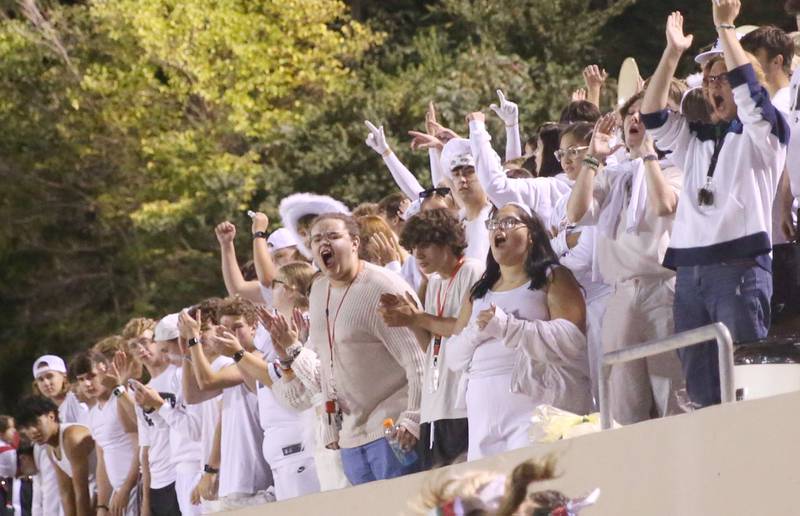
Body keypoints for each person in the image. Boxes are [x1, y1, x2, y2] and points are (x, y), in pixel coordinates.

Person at [641, 6, 789, 408]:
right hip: (689, 274)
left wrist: (725, 28)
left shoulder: (766, 132)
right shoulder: (696, 140)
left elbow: (752, 94)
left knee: (745, 386)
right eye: (707, 80)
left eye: (720, 77)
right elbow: (651, 115)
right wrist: (671, 54)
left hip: (740, 267)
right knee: (702, 390)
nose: (711, 87)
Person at [567, 89, 686, 424]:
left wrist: (648, 155)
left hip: (664, 288)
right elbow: (576, 212)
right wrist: (592, 158)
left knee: (671, 395)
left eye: (644, 113)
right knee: (623, 400)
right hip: (622, 291)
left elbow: (664, 205)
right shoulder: (614, 176)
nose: (635, 119)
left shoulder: (676, 167)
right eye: (630, 113)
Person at [278, 212, 425, 485]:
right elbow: (328, 366)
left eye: (334, 236)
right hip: (349, 439)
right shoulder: (319, 291)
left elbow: (419, 358)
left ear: (355, 243)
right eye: (317, 239)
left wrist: (414, 417)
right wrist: (331, 424)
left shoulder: (383, 287)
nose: (325, 243)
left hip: (391, 430)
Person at [446, 203, 591, 461]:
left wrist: (507, 327)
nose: (498, 228)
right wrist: (476, 332)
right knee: (491, 495)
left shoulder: (553, 276)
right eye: (493, 224)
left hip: (535, 409)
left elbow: (571, 340)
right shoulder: (478, 291)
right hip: (482, 415)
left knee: (532, 483)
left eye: (510, 222)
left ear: (532, 235)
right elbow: (454, 357)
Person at [378, 208, 485, 470]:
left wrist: (417, 318)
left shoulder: (473, 270)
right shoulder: (434, 282)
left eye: (425, 245)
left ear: (447, 240)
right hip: (435, 409)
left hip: (462, 406)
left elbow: (466, 329)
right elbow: (432, 350)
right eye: (413, 248)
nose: (418, 254)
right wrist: (410, 321)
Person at [211, 262, 322, 501]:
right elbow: (259, 386)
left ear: (291, 289)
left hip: (300, 444)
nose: (270, 292)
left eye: (275, 285)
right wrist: (238, 355)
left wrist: (239, 353)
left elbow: (282, 378)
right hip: (282, 450)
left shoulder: (306, 322)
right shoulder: (277, 327)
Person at [182, 297, 273, 510]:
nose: (231, 334)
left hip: (255, 474)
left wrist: (194, 341)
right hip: (235, 476)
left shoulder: (258, 358)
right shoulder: (234, 362)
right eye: (226, 328)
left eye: (237, 327)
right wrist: (188, 351)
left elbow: (207, 382)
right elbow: (193, 396)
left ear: (254, 327)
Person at [741, 26, 797, 245]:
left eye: (756, 57)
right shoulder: (771, 104)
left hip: (784, 227)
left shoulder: (784, 105)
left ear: (777, 61)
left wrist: (784, 209)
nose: (750, 66)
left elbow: (790, 163)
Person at [70, 351, 140, 516]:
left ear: (105, 371)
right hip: (118, 494)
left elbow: (140, 445)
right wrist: (102, 506)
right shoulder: (92, 414)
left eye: (91, 376)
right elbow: (102, 462)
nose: (87, 384)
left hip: (138, 487)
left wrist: (126, 487)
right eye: (81, 379)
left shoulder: (122, 398)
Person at [16, 397, 96, 516]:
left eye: (36, 423)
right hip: (95, 492)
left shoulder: (71, 437)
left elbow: (81, 491)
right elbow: (66, 492)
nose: (33, 431)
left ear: (51, 416)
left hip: (109, 491)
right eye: (27, 427)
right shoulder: (50, 447)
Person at [30, 355, 88, 516]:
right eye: (40, 380)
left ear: (63, 376)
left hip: (78, 479)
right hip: (51, 486)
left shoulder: (76, 402)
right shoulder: (39, 413)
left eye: (50, 376)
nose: (46, 383)